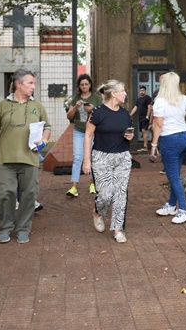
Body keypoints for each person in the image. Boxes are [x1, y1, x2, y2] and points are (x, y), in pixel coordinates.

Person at [0, 69, 51, 244]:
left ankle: (23, 228)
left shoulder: (38, 106)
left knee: (29, 195)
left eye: (34, 83)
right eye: (30, 83)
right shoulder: (2, 106)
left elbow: (47, 128)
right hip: (5, 160)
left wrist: (43, 142)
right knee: (5, 193)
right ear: (18, 84)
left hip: (29, 159)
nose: (33, 87)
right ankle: (5, 227)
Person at [82, 80, 134, 243]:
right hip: (101, 157)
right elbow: (88, 136)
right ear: (114, 94)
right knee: (105, 195)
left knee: (120, 194)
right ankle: (98, 212)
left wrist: (130, 136)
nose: (125, 94)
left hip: (122, 157)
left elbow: (129, 132)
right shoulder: (97, 113)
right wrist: (86, 160)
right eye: (123, 91)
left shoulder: (125, 113)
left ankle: (118, 230)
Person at [150, 72, 186, 224]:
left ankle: (184, 210)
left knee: (173, 177)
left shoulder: (159, 102)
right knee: (175, 174)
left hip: (169, 140)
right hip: (184, 137)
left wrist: (153, 145)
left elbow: (158, 125)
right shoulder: (183, 99)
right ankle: (172, 205)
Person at [63, 74, 102, 197]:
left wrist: (92, 109)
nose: (84, 86)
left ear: (90, 85)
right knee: (77, 157)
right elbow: (69, 116)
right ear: (79, 86)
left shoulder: (96, 98)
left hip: (93, 132)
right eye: (82, 84)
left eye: (86, 84)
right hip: (79, 131)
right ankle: (74, 187)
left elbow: (102, 115)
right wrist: (75, 107)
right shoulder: (75, 98)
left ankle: (92, 184)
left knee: (92, 157)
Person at [129, 85, 153, 152]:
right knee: (143, 131)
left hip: (146, 117)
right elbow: (135, 107)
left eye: (143, 90)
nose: (141, 92)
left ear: (145, 91)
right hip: (140, 117)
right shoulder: (138, 99)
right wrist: (130, 115)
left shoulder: (148, 98)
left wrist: (147, 116)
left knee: (144, 131)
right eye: (140, 90)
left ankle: (145, 147)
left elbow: (149, 107)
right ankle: (146, 146)